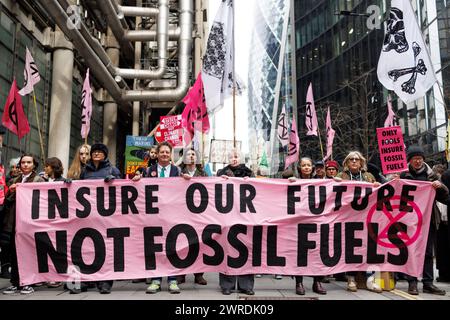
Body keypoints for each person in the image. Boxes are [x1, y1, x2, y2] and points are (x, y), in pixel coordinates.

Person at [135, 141, 182, 294]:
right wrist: (137, 180)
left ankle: (173, 280)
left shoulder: (177, 171)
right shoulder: (149, 170)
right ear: (158, 154)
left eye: (167, 152)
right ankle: (156, 280)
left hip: (172, 217)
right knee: (155, 249)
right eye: (162, 152)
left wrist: (188, 180)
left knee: (172, 248)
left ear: (170, 155)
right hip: (154, 216)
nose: (164, 154)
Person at [400, 146, 448, 295]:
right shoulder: (403, 175)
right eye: (414, 158)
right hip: (409, 220)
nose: (418, 161)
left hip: (428, 220)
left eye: (420, 158)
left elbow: (445, 197)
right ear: (410, 160)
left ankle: (428, 283)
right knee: (411, 251)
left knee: (427, 252)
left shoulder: (432, 176)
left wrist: (440, 187)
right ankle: (412, 282)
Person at [78, 143, 121, 294]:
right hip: (89, 217)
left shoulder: (112, 170)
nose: (96, 154)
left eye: (99, 152)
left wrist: (115, 181)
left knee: (106, 249)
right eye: (94, 152)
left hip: (106, 217)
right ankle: (87, 280)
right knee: (88, 249)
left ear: (105, 155)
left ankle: (106, 282)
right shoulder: (85, 171)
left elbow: (122, 190)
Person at [337, 151, 382, 293]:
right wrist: (334, 183)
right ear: (346, 163)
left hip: (367, 218)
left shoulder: (369, 177)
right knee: (351, 248)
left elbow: (381, 191)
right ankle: (351, 278)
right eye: (351, 159)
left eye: (357, 159)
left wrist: (377, 185)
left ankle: (370, 278)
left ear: (361, 162)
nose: (354, 162)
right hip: (349, 218)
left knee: (369, 247)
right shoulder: (341, 177)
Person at [2, 153, 46, 295]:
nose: (25, 165)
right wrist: (12, 191)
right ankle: (15, 282)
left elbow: (44, 201)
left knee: (29, 252)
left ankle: (28, 282)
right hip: (14, 221)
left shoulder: (40, 180)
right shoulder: (13, 180)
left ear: (34, 165)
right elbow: (7, 202)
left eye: (28, 162)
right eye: (23, 163)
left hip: (30, 222)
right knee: (14, 253)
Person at [217, 148, 255, 296]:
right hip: (227, 217)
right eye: (231, 156)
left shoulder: (249, 173)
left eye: (237, 156)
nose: (234, 158)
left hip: (246, 218)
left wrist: (250, 182)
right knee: (227, 250)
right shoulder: (221, 173)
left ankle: (246, 285)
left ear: (241, 158)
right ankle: (227, 285)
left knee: (246, 251)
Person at [286, 157, 327, 295]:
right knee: (301, 254)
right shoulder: (294, 181)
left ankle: (317, 282)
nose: (307, 167)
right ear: (299, 168)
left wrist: (336, 181)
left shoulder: (320, 182)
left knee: (317, 253)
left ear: (312, 167)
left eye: (309, 165)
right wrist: (290, 183)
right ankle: (299, 283)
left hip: (316, 222)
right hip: (299, 223)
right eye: (304, 165)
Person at [176, 148, 208, 286]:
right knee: (181, 243)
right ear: (184, 158)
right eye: (188, 154)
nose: (191, 156)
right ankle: (181, 274)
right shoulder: (177, 172)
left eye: (194, 154)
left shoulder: (204, 173)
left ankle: (198, 274)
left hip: (199, 214)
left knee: (199, 243)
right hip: (181, 212)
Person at [43, 157, 67, 288]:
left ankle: (58, 276)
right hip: (45, 219)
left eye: (47, 166)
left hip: (58, 220)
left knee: (58, 249)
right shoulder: (42, 180)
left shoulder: (63, 182)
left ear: (54, 167)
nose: (45, 168)